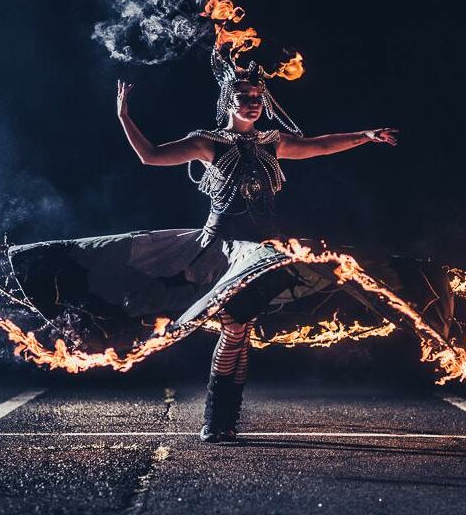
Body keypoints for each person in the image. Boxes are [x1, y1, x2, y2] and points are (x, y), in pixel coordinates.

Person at [115, 45, 399, 442]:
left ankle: (225, 420)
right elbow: (150, 157)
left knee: (242, 327)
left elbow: (320, 144)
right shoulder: (208, 142)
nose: (251, 104)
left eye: (256, 99)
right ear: (228, 101)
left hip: (264, 250)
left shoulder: (271, 142)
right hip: (224, 250)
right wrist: (125, 117)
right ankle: (216, 419)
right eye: (243, 98)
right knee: (234, 326)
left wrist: (365, 136)